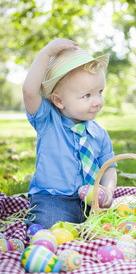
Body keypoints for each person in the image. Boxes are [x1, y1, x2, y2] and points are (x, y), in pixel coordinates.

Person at [23, 38, 117, 229]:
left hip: (92, 202)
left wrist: (107, 191)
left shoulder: (99, 134)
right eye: (87, 95)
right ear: (58, 101)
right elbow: (29, 92)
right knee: (47, 224)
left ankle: (87, 229)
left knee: (112, 225)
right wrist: (46, 53)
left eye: (100, 91)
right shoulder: (48, 121)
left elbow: (108, 167)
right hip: (54, 199)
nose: (98, 101)